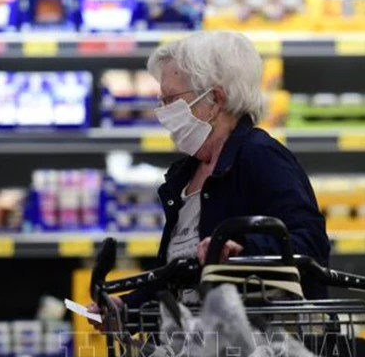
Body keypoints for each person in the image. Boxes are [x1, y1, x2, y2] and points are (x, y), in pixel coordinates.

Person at [88, 31, 330, 326]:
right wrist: (127, 309)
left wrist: (244, 250)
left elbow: (311, 242)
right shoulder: (184, 176)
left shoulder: (261, 156)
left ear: (215, 99)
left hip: (257, 345)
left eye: (171, 100)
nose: (163, 112)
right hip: (198, 347)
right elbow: (180, 277)